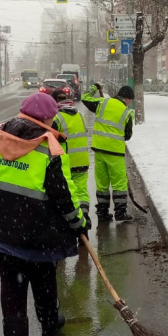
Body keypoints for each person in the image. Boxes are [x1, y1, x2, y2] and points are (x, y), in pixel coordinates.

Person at [0, 92, 88, 336]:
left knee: (12, 286)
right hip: (36, 232)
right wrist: (79, 224)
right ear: (48, 118)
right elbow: (63, 195)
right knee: (43, 279)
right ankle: (50, 324)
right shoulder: (50, 148)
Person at [81, 82, 135, 222]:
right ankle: (120, 213)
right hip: (115, 153)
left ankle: (103, 213)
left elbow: (85, 98)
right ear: (127, 98)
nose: (130, 104)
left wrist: (94, 87)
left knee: (102, 184)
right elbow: (127, 135)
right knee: (119, 184)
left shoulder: (102, 102)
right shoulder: (127, 112)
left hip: (99, 151)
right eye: (130, 101)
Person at [51, 87, 90, 230]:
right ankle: (85, 217)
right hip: (82, 161)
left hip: (66, 163)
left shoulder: (56, 118)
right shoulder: (80, 115)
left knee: (68, 193)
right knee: (81, 191)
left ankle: (72, 223)